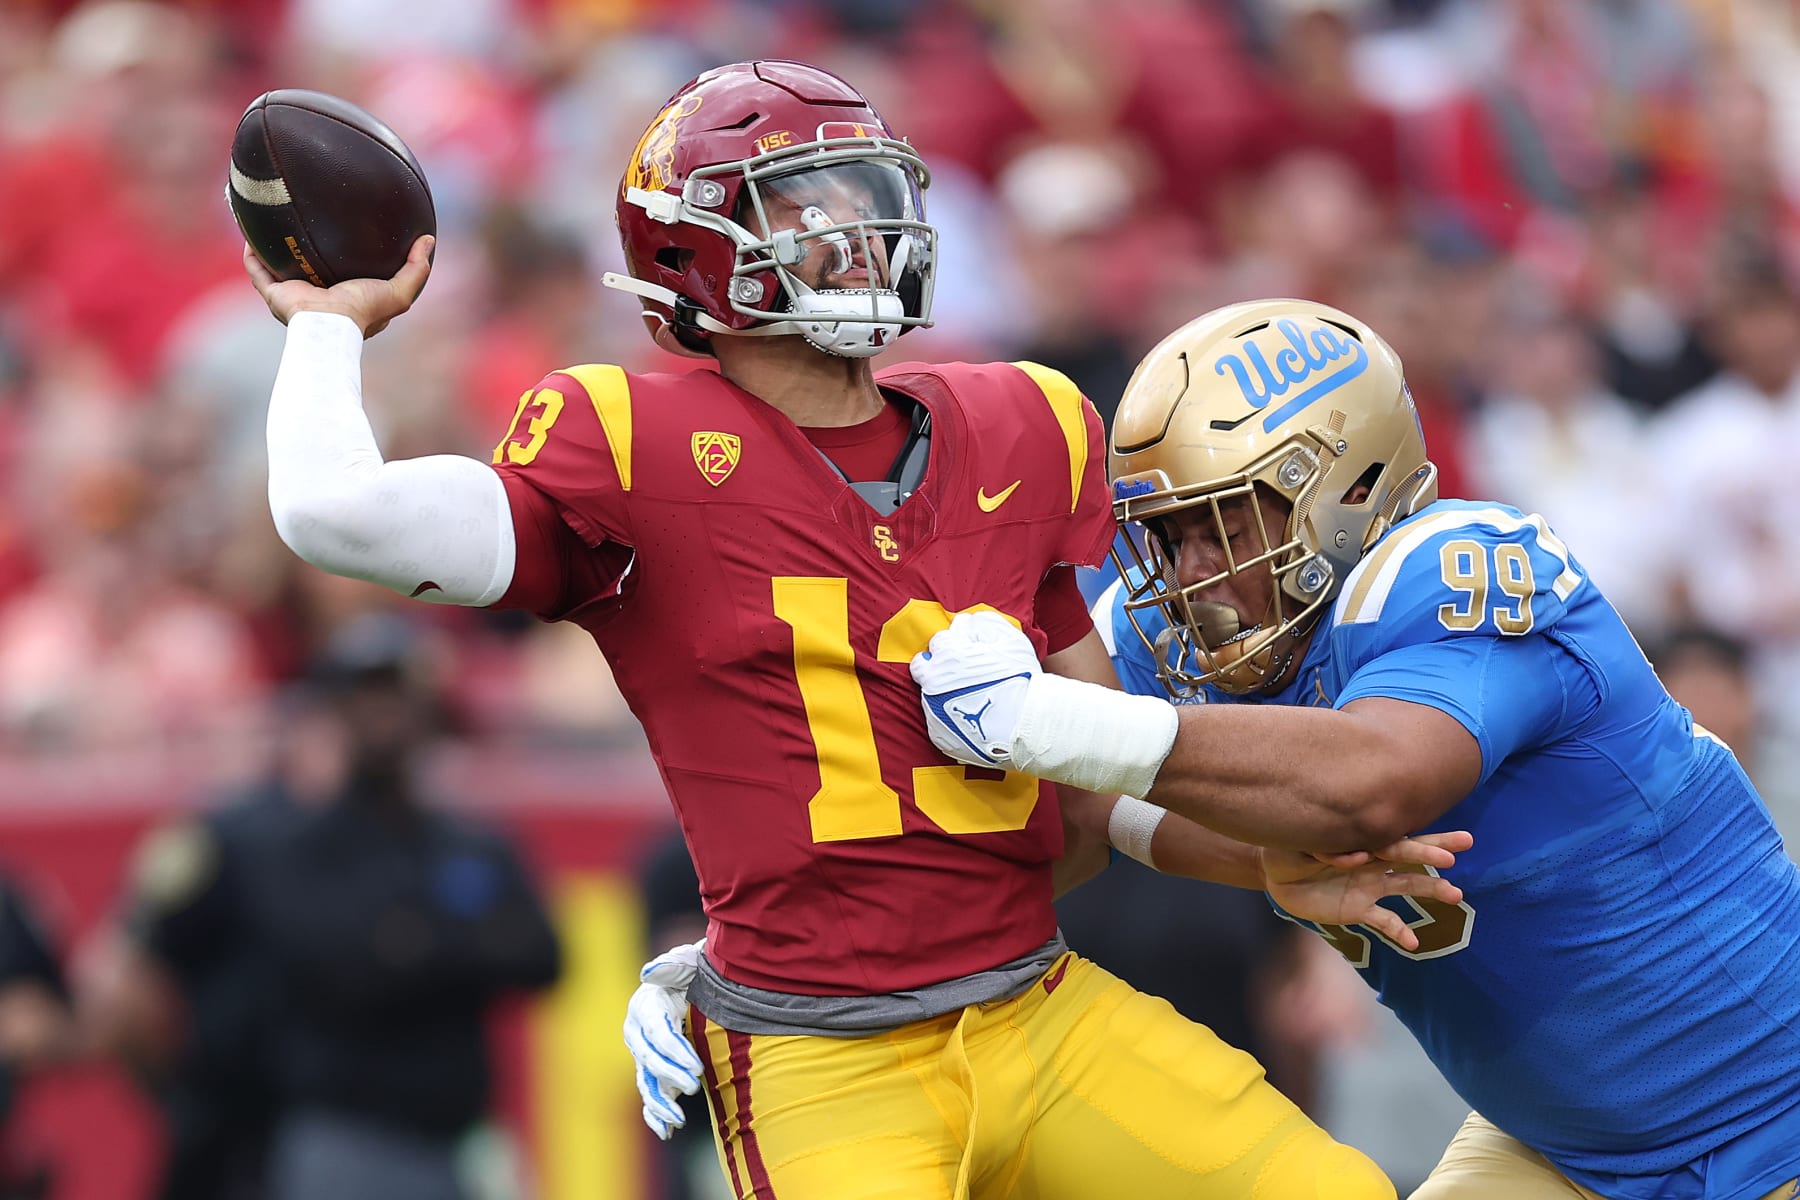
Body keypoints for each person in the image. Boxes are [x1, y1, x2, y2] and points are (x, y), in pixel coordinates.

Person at [246, 59, 1466, 1199]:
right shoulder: (623, 440)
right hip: (824, 1060)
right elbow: (331, 512)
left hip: (1040, 1009)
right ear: (693, 253)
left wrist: (1268, 860)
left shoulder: (1024, 419)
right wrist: (324, 323)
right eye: (804, 205)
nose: (856, 232)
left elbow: (1090, 808)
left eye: (864, 194)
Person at [905, 298, 1800, 1200]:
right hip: (1564, 1146)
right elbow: (1078, 819)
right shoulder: (1179, 638)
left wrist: (1055, 723)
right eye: (1170, 535)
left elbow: (1377, 782)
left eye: (1223, 525)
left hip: (1772, 1115)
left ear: (1342, 488)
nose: (1188, 572)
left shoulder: (1462, 560)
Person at [88, 615, 562, 1200]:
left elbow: (540, 955)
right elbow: (339, 963)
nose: (382, 717)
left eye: (396, 698)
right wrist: (178, 1091)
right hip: (314, 1129)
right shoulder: (259, 838)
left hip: (457, 1134)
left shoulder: (465, 839)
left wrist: (410, 945)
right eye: (366, 700)